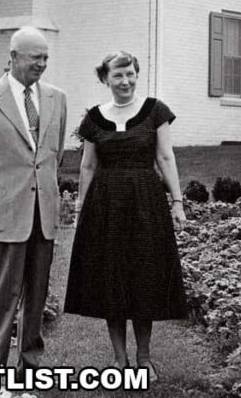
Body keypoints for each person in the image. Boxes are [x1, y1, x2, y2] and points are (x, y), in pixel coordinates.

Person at [63, 51, 188, 382]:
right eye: (118, 75)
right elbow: (88, 166)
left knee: (143, 276)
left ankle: (144, 357)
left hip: (145, 202)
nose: (126, 81)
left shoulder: (155, 111)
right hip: (105, 206)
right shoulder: (94, 118)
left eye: (130, 74)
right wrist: (80, 207)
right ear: (105, 79)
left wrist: (177, 201)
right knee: (112, 279)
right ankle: (120, 360)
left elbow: (165, 157)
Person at [0, 26, 68, 369]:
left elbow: (55, 156)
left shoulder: (57, 98)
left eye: (46, 57)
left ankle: (29, 365)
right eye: (35, 57)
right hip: (4, 215)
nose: (42, 64)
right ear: (13, 57)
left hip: (43, 216)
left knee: (36, 297)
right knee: (0, 298)